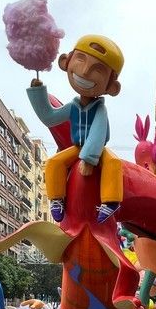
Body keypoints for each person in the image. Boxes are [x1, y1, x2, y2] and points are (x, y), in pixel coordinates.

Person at [27, 34, 124, 224]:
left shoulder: (100, 109)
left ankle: (111, 202)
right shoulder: (73, 106)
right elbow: (50, 117)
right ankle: (57, 199)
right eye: (81, 59)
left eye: (98, 69)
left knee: (113, 163)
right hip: (78, 148)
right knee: (54, 162)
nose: (85, 71)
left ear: (111, 86)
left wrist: (89, 158)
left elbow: (98, 132)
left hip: (96, 150)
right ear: (66, 62)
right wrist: (38, 92)